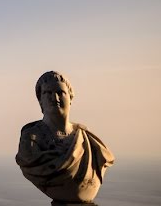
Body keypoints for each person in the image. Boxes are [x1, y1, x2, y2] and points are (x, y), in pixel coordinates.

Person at [16, 71, 114, 204]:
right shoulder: (31, 139)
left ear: (70, 98)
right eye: (48, 93)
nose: (55, 98)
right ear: (40, 100)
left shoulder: (88, 139)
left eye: (60, 92)